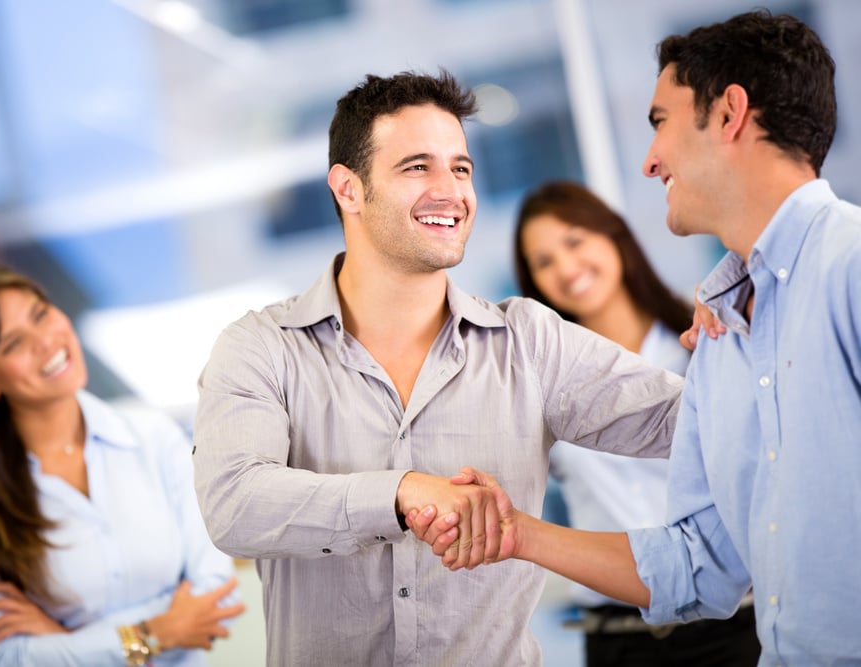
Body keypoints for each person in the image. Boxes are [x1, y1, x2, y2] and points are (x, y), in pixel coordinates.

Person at [409, 10, 861, 666]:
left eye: (660, 123)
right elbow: (699, 563)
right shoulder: (721, 337)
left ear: (730, 113)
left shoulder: (850, 265)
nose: (650, 161)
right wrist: (517, 533)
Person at [192, 69, 683, 666]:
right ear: (348, 189)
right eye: (417, 166)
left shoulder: (528, 343)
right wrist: (400, 493)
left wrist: (753, 337)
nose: (450, 190)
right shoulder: (261, 349)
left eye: (461, 167)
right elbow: (236, 505)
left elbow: (686, 423)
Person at [0, 261, 245, 667]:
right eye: (13, 344)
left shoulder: (154, 438)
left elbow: (218, 599)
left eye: (40, 315)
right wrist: (155, 632)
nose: (46, 341)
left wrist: (62, 640)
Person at [515, 181, 759, 665]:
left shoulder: (702, 346)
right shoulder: (538, 385)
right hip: (617, 639)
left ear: (614, 237)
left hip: (733, 628)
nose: (565, 268)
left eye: (574, 241)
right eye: (543, 262)